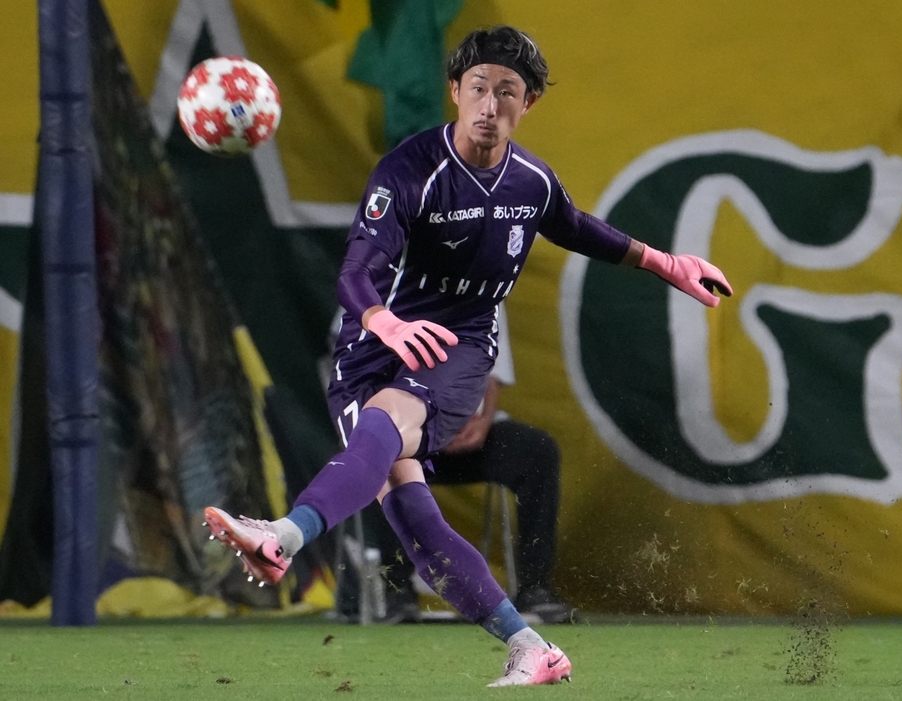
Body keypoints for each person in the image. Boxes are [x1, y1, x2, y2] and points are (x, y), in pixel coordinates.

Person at [204, 25, 731, 687]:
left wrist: (664, 261)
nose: (490, 104)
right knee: (417, 525)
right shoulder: (408, 171)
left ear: (528, 103)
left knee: (389, 419)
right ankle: (529, 644)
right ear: (455, 91)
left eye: (507, 92)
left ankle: (282, 534)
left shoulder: (531, 182)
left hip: (455, 350)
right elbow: (355, 271)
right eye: (478, 87)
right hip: (371, 347)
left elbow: (576, 226)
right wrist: (383, 321)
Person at [373, 304, 572, 625]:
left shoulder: (488, 281)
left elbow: (494, 367)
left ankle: (535, 588)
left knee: (537, 451)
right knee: (376, 454)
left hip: (468, 431)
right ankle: (395, 590)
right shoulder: (373, 285)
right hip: (401, 432)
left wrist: (480, 421)